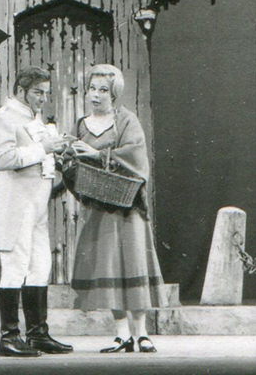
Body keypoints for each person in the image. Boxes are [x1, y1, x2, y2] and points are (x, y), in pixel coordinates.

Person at [66, 64, 167, 353]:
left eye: (103, 90)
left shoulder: (126, 120)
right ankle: (121, 333)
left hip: (128, 207)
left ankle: (143, 332)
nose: (95, 95)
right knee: (108, 264)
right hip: (100, 207)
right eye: (92, 89)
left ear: (114, 94)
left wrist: (98, 154)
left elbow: (136, 157)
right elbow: (72, 164)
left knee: (133, 262)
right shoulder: (81, 125)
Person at [0, 67, 73, 357]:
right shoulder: (5, 117)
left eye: (46, 93)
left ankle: (37, 334)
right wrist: (42, 148)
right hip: (15, 203)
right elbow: (2, 158)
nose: (43, 99)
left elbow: (40, 158)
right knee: (15, 266)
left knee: (39, 266)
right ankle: (9, 337)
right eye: (38, 92)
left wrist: (58, 152)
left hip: (36, 205)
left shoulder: (31, 119)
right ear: (21, 90)